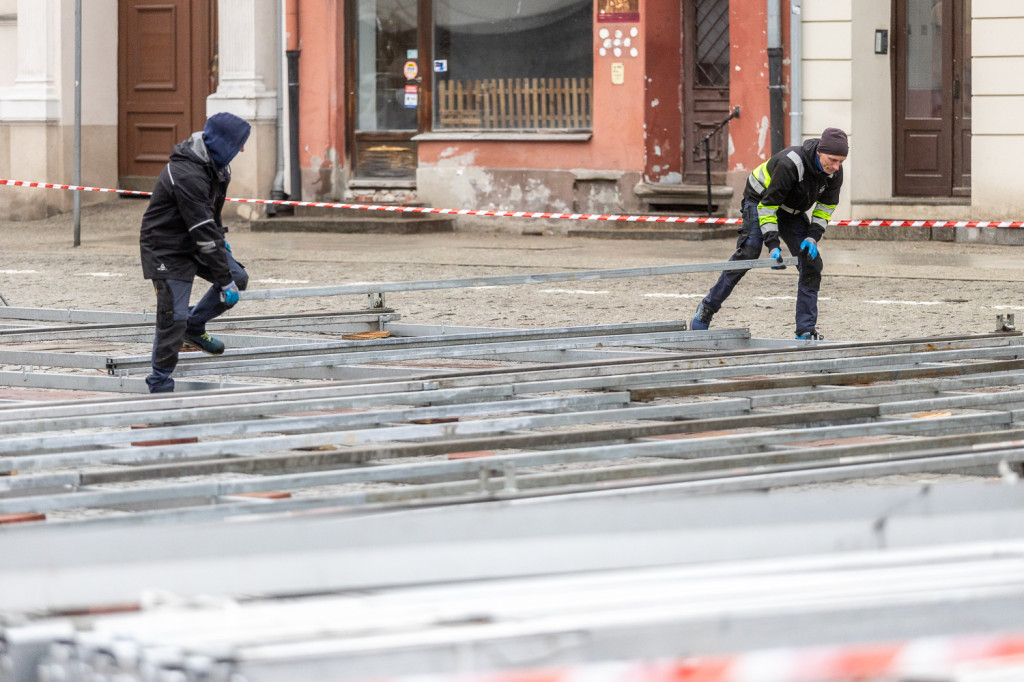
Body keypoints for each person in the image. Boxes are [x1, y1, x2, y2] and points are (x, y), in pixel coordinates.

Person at [692, 127, 848, 340]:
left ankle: (805, 331)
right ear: (820, 151)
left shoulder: (835, 172)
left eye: (841, 161)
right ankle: (707, 308)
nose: (837, 166)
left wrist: (812, 237)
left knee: (811, 262)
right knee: (749, 251)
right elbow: (768, 207)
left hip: (791, 210)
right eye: (833, 160)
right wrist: (773, 245)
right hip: (759, 200)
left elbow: (825, 208)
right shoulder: (791, 164)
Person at [139, 111, 251, 393]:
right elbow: (201, 229)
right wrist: (222, 279)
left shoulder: (218, 167)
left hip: (196, 239)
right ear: (223, 143)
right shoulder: (185, 173)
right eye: (239, 143)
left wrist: (220, 238)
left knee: (238, 277)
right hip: (166, 249)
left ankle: (195, 325)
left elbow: (211, 213)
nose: (242, 149)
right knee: (173, 318)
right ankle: (160, 384)